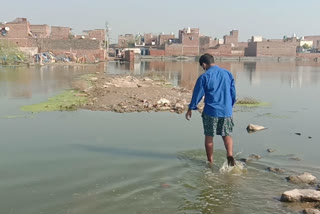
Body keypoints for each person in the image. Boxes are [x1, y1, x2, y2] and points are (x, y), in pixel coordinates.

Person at [185, 53, 236, 166]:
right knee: (226, 134)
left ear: (204, 64)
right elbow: (233, 93)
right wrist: (229, 106)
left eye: (202, 66)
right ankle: (230, 155)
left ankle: (210, 161)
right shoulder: (228, 74)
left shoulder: (204, 77)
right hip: (226, 111)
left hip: (211, 111)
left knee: (209, 136)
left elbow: (197, 94)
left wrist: (191, 108)